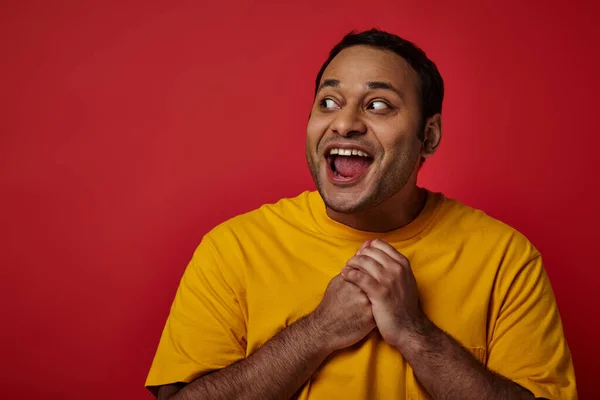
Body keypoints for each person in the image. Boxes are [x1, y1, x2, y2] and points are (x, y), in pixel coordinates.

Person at [145, 29, 577, 399]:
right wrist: (318, 331)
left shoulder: (506, 258)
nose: (345, 123)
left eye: (377, 105)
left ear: (428, 137)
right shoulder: (233, 248)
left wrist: (414, 333)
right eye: (329, 102)